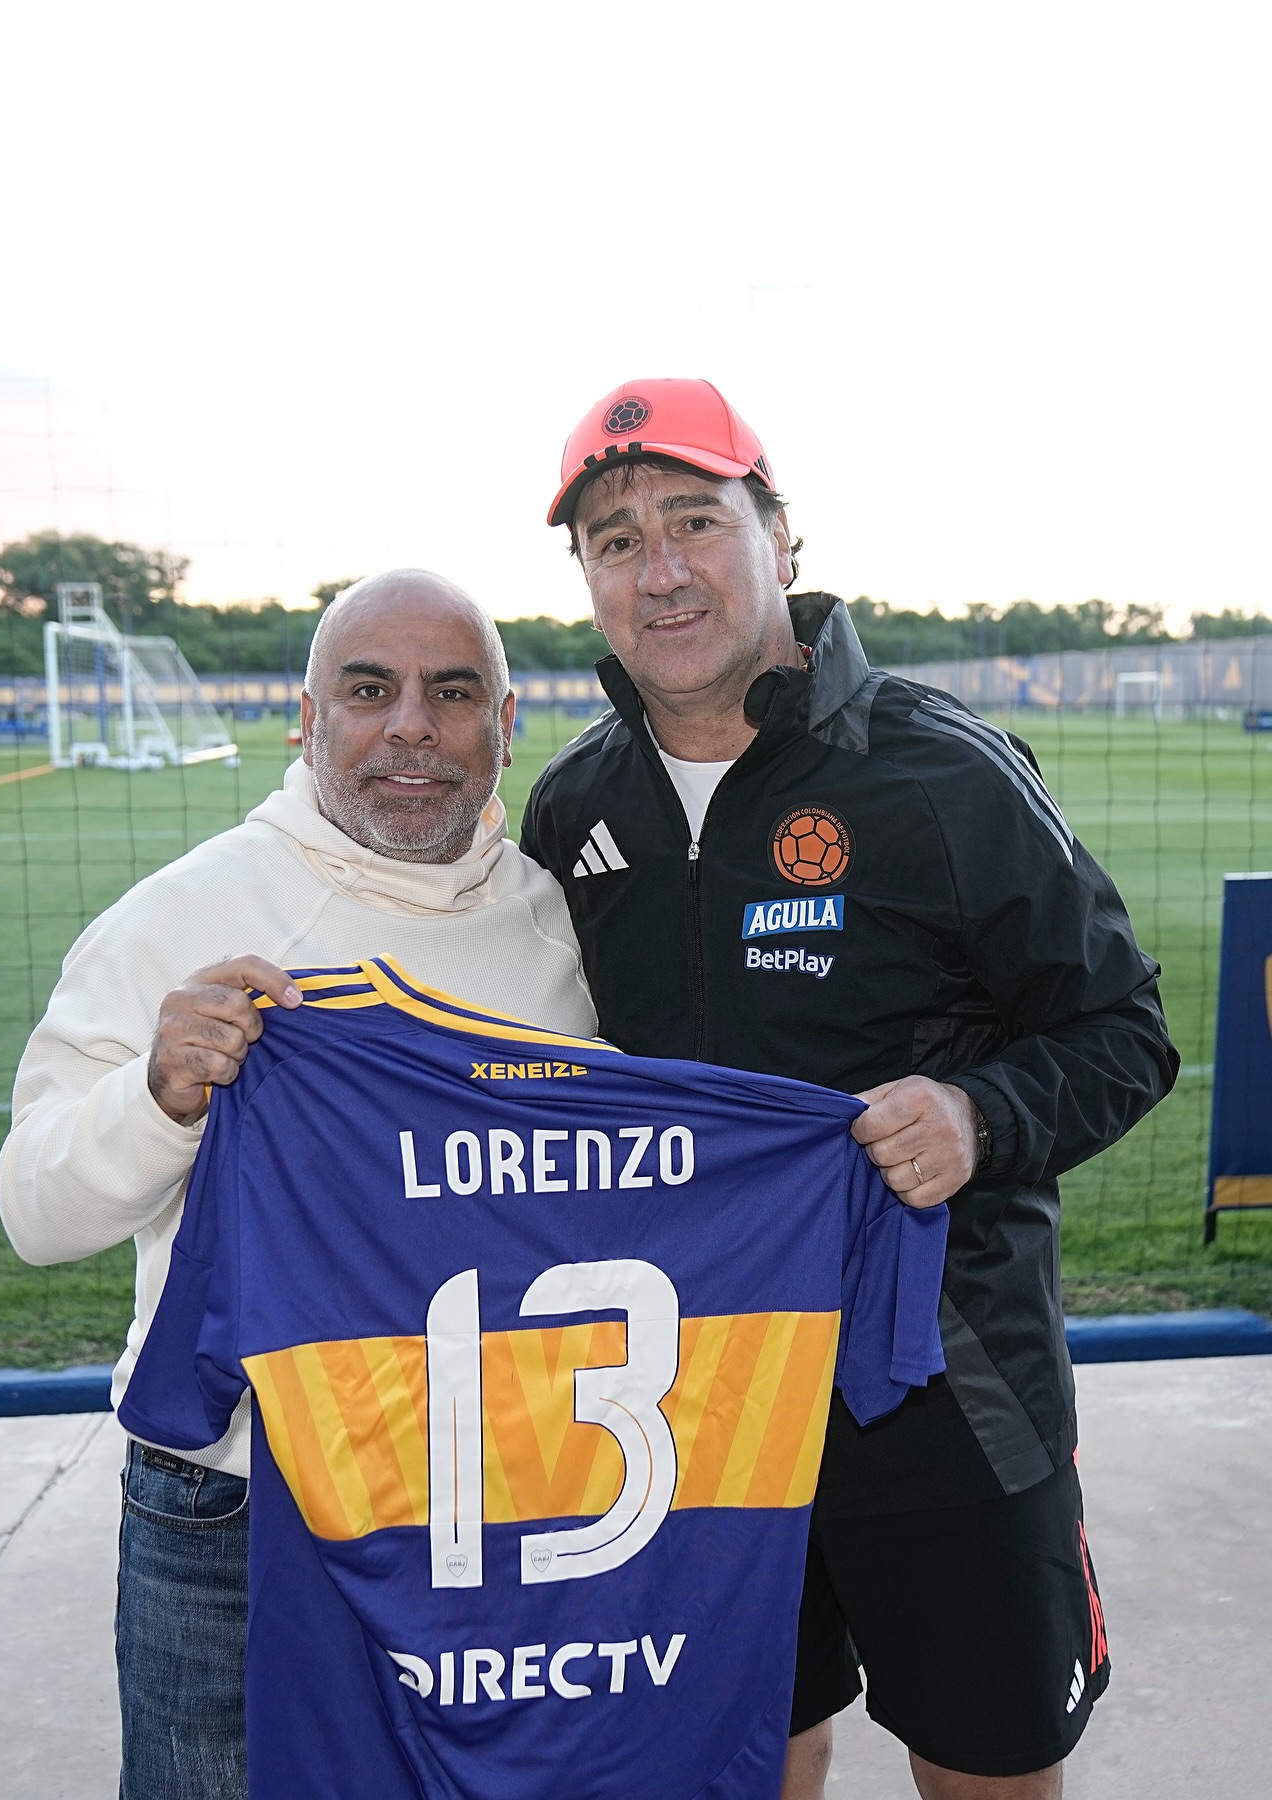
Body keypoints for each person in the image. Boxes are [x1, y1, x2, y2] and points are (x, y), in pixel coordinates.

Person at [522, 379, 1178, 1800]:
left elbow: (1124, 1029)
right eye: (617, 540)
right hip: (684, 1396)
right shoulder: (574, 811)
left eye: (697, 519)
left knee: (986, 1767)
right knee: (748, 1752)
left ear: (781, 536)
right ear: (586, 578)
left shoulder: (942, 777)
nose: (663, 567)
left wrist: (978, 1117)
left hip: (944, 1392)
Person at [0, 570, 597, 1800]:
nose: (414, 727)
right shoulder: (180, 917)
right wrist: (159, 1097)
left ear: (505, 725)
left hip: (493, 1505)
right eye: (369, 692)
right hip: (236, 1506)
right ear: (308, 721)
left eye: (454, 693)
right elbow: (32, 1210)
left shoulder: (560, 929)